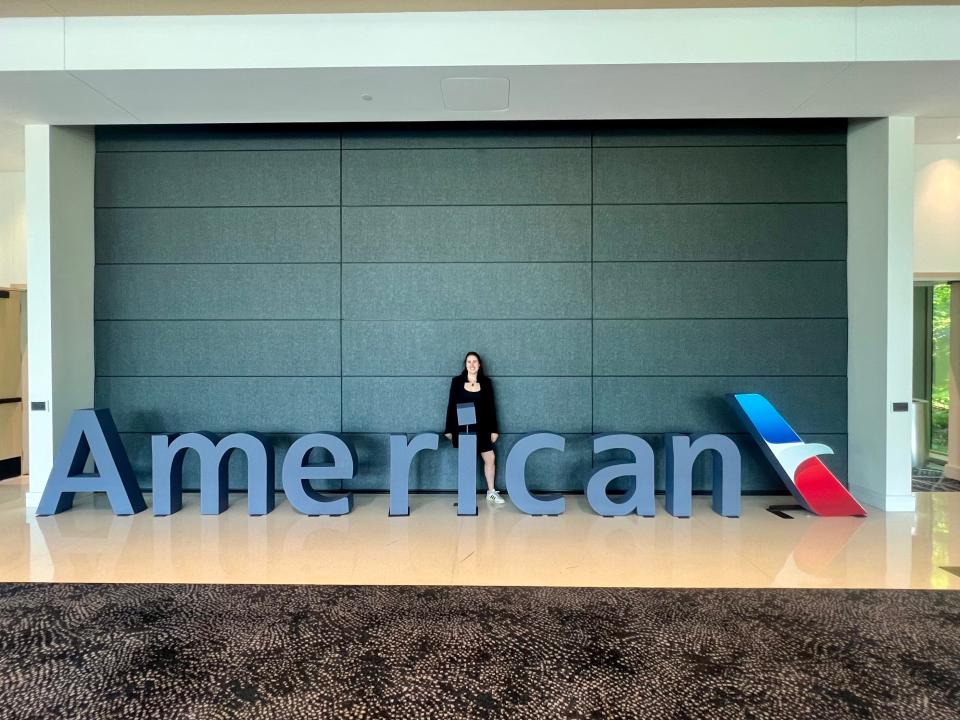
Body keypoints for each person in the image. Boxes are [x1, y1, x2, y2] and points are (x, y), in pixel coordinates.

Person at [444, 351, 504, 504]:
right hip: (464, 428)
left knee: (490, 458)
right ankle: (465, 495)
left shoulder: (486, 383)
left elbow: (491, 407)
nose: (472, 365)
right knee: (467, 461)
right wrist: (449, 429)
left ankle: (491, 492)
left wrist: (494, 429)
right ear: (465, 364)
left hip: (483, 427)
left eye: (475, 361)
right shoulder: (457, 382)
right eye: (469, 361)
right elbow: (451, 405)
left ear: (479, 364)